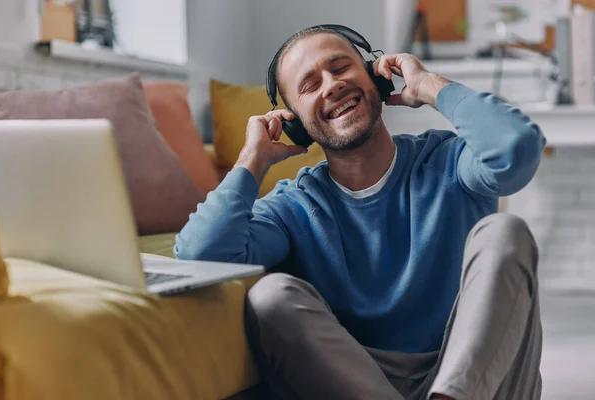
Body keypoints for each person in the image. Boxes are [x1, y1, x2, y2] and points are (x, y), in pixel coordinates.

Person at [174, 25, 546, 400]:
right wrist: (251, 160)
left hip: (480, 382)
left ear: (377, 76)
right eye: (309, 85)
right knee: (269, 296)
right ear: (296, 124)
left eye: (340, 68)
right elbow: (200, 255)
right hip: (365, 386)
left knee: (504, 231)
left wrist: (429, 85)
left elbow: (515, 147)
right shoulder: (295, 205)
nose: (331, 85)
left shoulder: (448, 160)